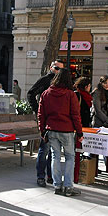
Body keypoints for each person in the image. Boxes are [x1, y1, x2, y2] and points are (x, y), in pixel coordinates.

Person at [38, 68, 83, 196]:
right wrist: (79, 133)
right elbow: (75, 115)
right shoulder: (70, 94)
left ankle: (57, 185)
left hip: (51, 129)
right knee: (70, 157)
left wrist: (42, 131)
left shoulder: (46, 93)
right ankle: (68, 186)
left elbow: (41, 114)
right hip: (67, 130)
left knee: (55, 156)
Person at [27, 59, 64, 187]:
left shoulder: (62, 83)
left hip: (58, 120)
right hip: (47, 119)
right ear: (51, 67)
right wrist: (38, 109)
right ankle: (41, 176)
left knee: (54, 150)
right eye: (56, 68)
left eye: (61, 69)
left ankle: (50, 175)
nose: (58, 71)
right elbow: (30, 93)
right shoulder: (45, 80)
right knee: (45, 148)